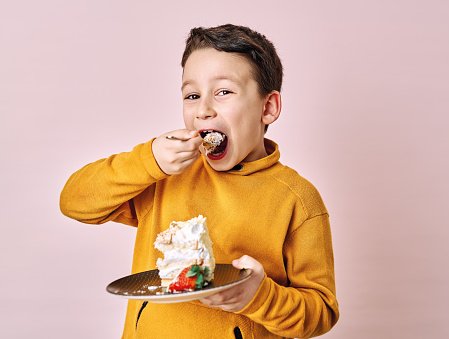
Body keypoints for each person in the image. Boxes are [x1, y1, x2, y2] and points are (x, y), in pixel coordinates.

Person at [60, 24, 339, 338]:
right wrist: (148, 159)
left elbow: (321, 313)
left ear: (268, 107)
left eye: (223, 92)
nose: (203, 110)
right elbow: (74, 202)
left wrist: (259, 297)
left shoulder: (297, 199)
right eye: (192, 95)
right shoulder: (163, 176)